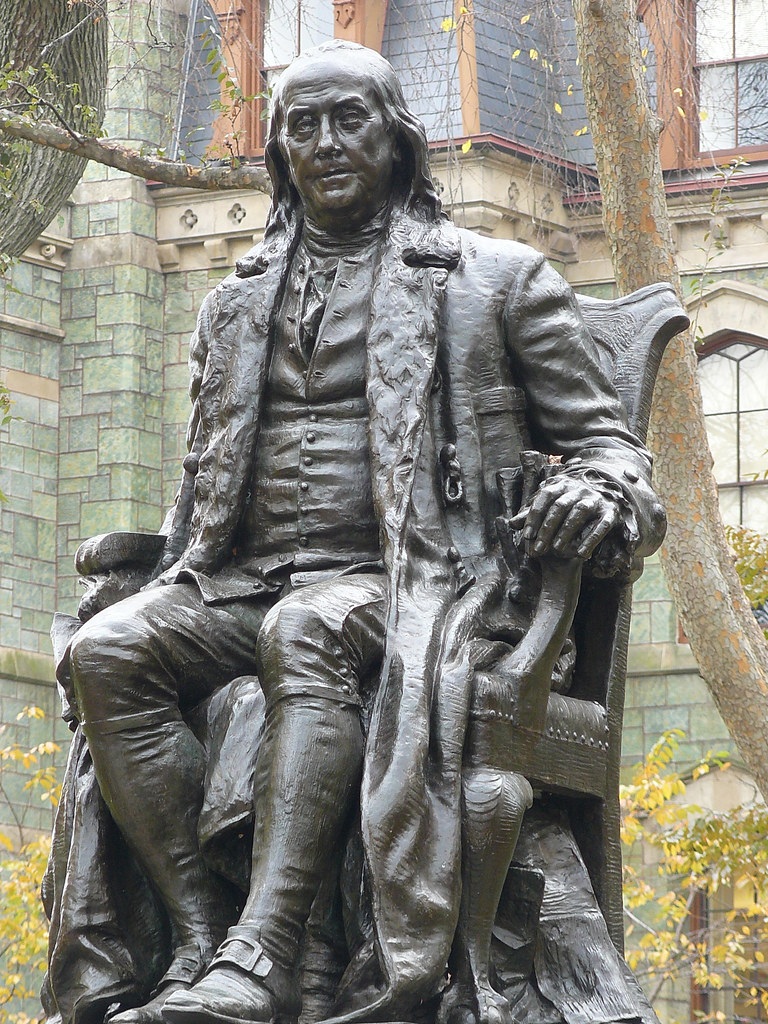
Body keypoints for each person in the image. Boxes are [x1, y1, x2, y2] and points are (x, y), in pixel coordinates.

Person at [62, 39, 666, 1024]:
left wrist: (600, 495)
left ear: (399, 141)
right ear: (279, 151)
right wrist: (153, 566)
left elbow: (609, 449)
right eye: (304, 125)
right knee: (107, 649)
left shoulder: (498, 280)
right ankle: (206, 937)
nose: (328, 142)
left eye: (351, 120)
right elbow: (202, 484)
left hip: (430, 582)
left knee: (307, 626)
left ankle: (267, 951)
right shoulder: (233, 303)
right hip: (240, 578)